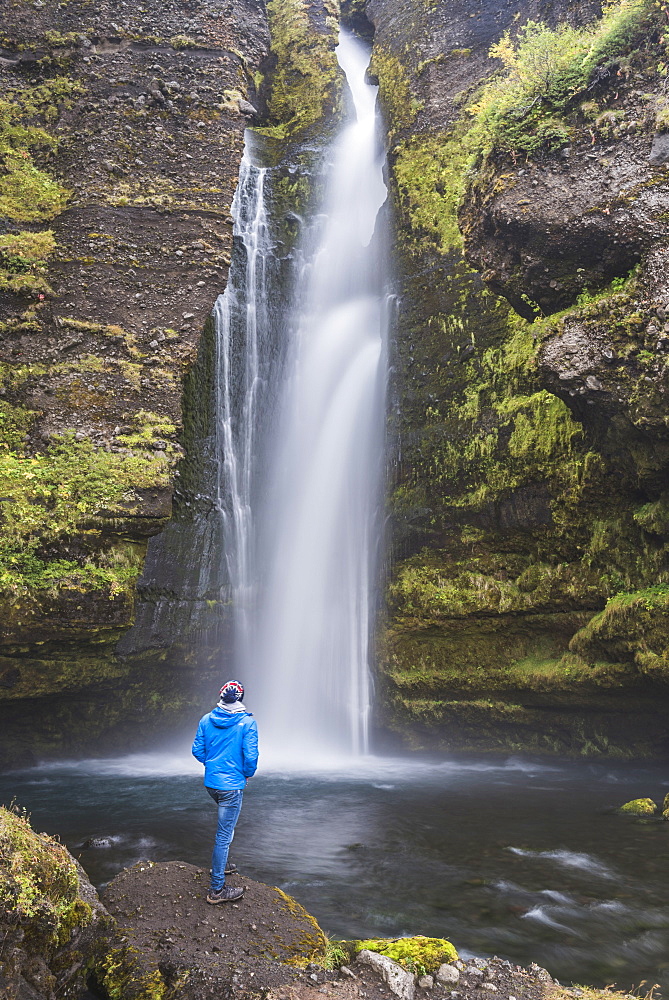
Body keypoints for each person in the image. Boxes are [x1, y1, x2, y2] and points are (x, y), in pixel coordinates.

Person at [192, 679, 259, 904]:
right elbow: (250, 757)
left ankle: (221, 866)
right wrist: (246, 774)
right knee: (223, 835)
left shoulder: (205, 719)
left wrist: (212, 765)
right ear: (240, 698)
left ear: (221, 697)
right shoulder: (248, 723)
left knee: (225, 828)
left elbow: (197, 750)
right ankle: (217, 890)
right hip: (231, 786)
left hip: (212, 784)